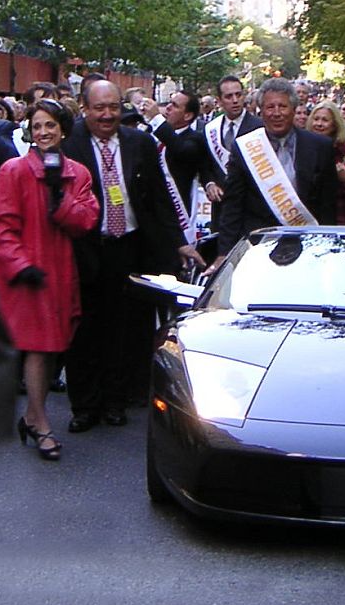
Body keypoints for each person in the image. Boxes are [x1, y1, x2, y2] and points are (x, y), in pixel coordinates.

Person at [61, 80, 204, 432]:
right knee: (85, 331)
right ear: (85, 108)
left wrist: (178, 241)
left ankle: (116, 401)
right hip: (86, 249)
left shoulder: (139, 142)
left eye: (113, 106)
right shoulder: (70, 145)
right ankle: (84, 405)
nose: (108, 114)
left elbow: (160, 198)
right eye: (99, 108)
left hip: (131, 247)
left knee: (124, 330)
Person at [0, 99, 100, 458]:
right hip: (25, 276)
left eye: (50, 126)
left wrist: (60, 199)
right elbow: (2, 226)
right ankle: (41, 425)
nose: (43, 133)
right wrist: (20, 265)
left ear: (63, 130)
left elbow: (85, 221)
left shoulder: (78, 174)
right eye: (37, 126)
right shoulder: (13, 170)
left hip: (60, 274)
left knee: (52, 347)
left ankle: (30, 416)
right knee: (39, 349)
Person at [212, 78, 337, 263]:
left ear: (294, 109)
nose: (276, 113)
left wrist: (328, 249)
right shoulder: (245, 147)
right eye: (270, 107)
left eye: (283, 106)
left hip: (309, 246)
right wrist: (224, 253)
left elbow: (328, 204)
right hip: (259, 247)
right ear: (260, 111)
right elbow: (233, 205)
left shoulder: (320, 146)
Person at [202, 76, 264, 233]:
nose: (235, 100)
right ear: (219, 100)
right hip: (221, 209)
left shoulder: (260, 127)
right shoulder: (210, 129)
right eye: (229, 96)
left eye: (238, 94)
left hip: (251, 210)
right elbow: (205, 164)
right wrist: (209, 183)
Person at [145, 91, 209, 243]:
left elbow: (180, 149)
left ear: (187, 116)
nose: (167, 108)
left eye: (174, 105)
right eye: (168, 103)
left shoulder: (194, 139)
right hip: (152, 213)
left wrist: (157, 119)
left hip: (178, 216)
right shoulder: (152, 133)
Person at [307, 100, 345, 225]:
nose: (319, 124)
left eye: (325, 120)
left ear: (335, 125)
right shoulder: (302, 148)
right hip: (307, 218)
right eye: (316, 119)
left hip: (339, 219)